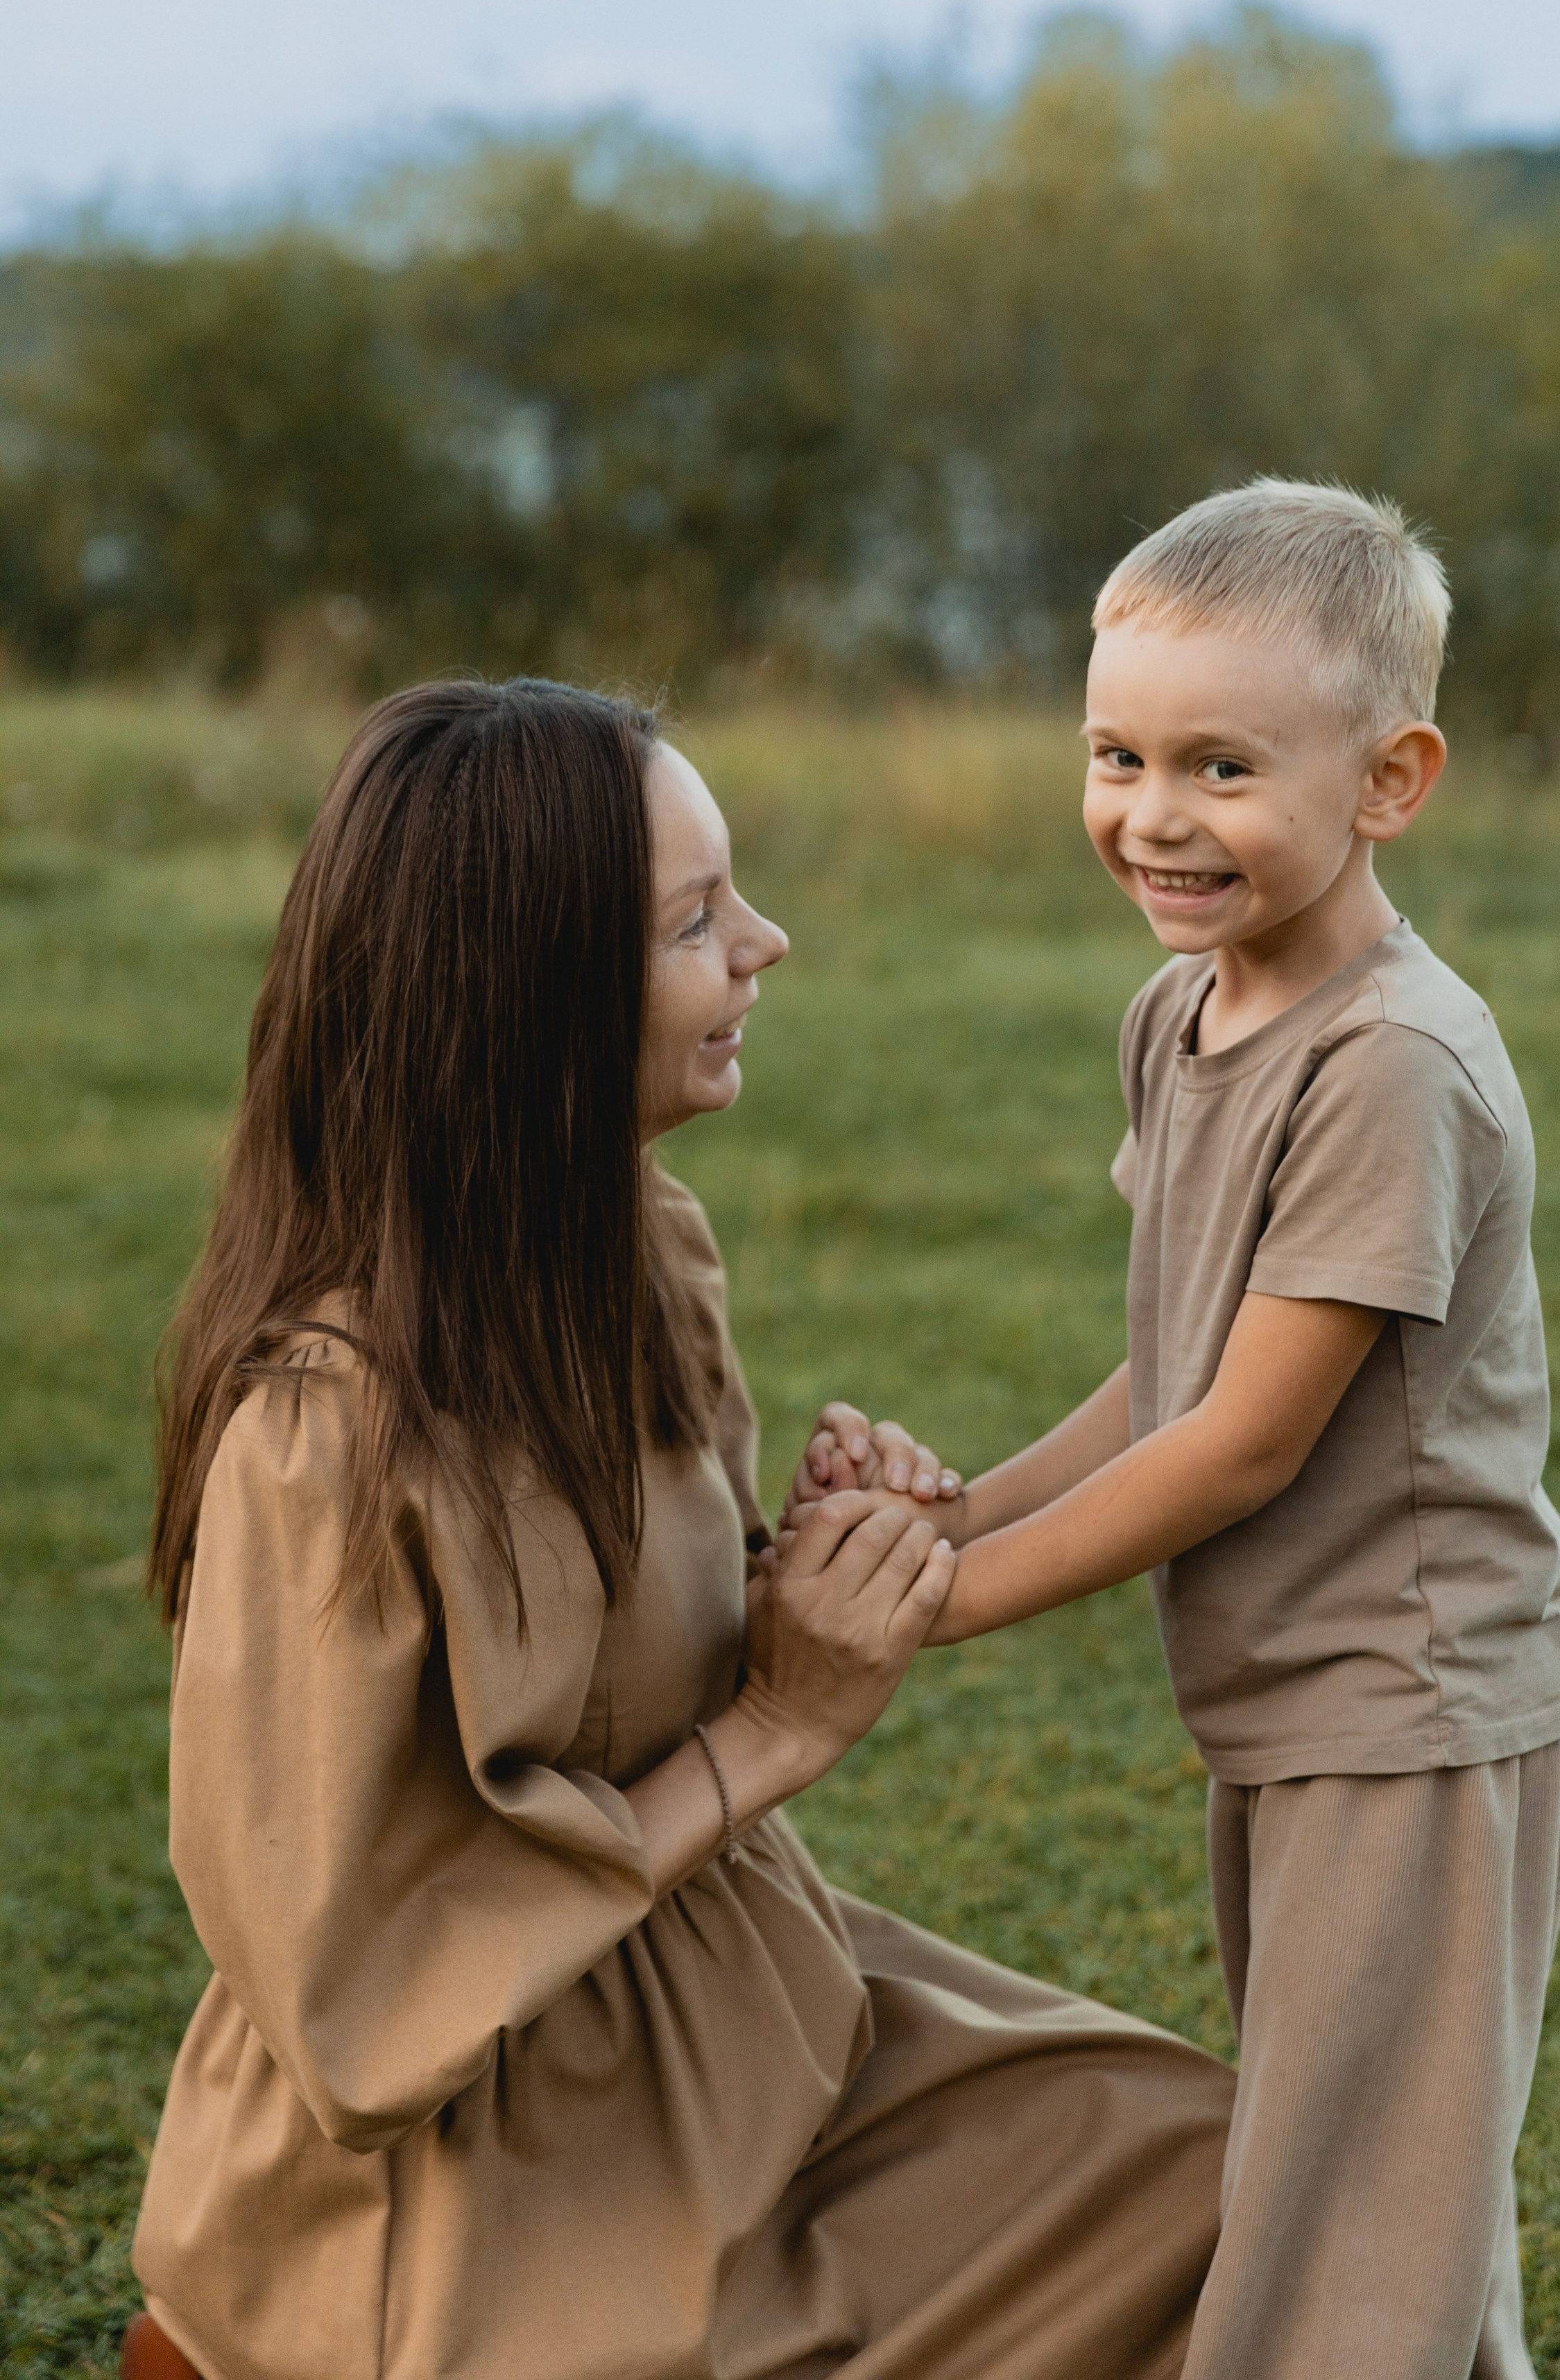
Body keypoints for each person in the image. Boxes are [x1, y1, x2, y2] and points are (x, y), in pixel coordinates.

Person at [126, 678, 1235, 2380]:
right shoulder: (319, 1434)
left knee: (1255, 2171)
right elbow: (353, 2003)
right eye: (694, 921)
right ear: (533, 1000)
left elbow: (659, 1667)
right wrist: (782, 1726)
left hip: (751, 2020)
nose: (765, 943)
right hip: (484, 2178)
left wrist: (822, 1562)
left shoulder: (636, 1247)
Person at [794, 483, 1560, 2380]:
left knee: (1338, 2242)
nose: (1154, 812)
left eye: (1224, 765)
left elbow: (1240, 1444)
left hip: (1409, 1715)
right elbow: (1171, 1365)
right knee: (1389, 2200)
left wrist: (940, 1599)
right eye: (1118, 754)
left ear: (1391, 780)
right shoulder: (1183, 1016)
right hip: (1287, 1706)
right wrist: (962, 1509)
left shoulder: (1389, 1065)